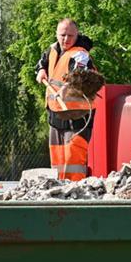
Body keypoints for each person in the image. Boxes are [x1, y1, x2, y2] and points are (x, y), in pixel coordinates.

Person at [35, 18, 95, 181]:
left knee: (73, 157)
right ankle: (59, 187)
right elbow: (42, 62)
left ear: (77, 35)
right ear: (56, 34)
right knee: (57, 155)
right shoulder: (53, 49)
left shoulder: (80, 54)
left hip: (77, 115)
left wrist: (65, 88)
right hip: (56, 114)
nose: (66, 39)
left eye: (70, 35)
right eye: (62, 35)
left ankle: (75, 188)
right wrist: (41, 70)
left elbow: (78, 74)